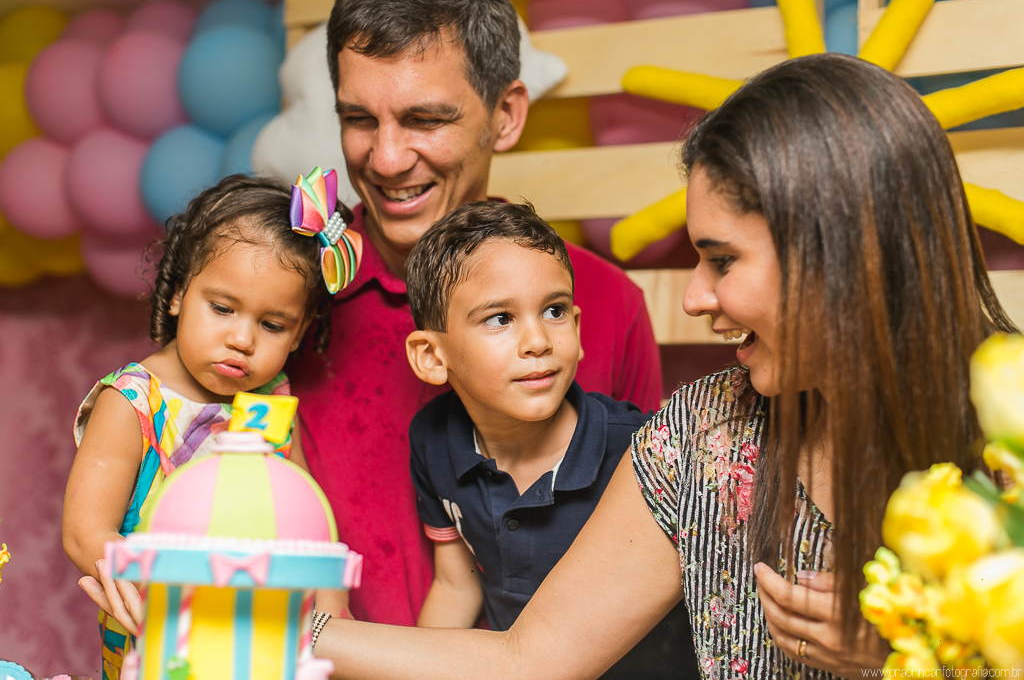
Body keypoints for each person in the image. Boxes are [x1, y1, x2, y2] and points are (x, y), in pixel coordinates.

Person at [306, 53, 1018, 678]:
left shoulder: (1007, 435)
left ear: (841, 250)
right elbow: (529, 658)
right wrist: (294, 632)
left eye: (723, 260)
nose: (698, 296)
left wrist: (920, 651)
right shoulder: (700, 434)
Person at [289, 0, 662, 626]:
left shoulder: (607, 303)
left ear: (507, 115)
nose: (384, 159)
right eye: (358, 119)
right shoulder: (280, 300)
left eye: (425, 119)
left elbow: (647, 560)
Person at [63, 174, 344, 680]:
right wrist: (159, 593)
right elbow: (85, 531)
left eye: (272, 324)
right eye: (221, 308)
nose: (241, 338)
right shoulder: (133, 401)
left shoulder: (273, 401)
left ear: (300, 331)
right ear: (176, 294)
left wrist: (332, 615)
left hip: (263, 633)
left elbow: (310, 528)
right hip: (156, 633)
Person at [402, 200, 696, 678]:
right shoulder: (433, 440)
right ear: (432, 356)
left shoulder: (643, 450)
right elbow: (457, 586)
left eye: (554, 311)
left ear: (578, 331)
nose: (538, 340)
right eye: (500, 318)